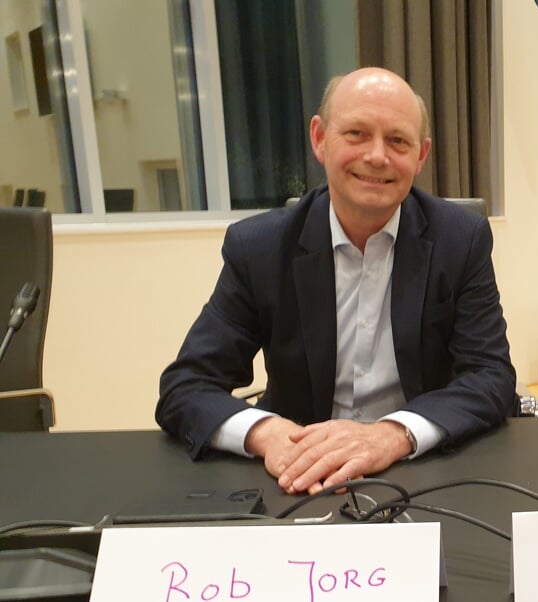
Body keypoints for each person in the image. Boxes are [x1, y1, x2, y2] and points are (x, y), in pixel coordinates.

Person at [157, 67, 517, 495]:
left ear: (421, 156)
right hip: (298, 473)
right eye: (357, 134)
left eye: (397, 141)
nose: (377, 156)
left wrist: (392, 434)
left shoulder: (461, 240)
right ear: (320, 139)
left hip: (421, 472)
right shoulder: (260, 246)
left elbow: (490, 376)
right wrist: (270, 435)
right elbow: (186, 386)